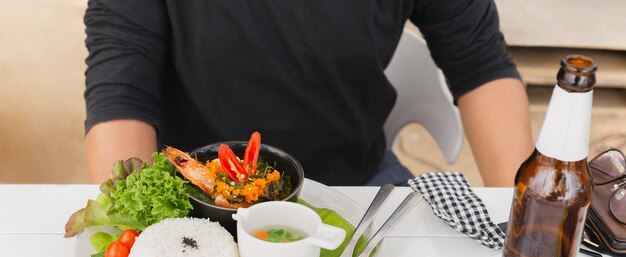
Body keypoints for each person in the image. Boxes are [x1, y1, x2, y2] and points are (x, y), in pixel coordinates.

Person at [84, 0, 533, 186]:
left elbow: (480, 66)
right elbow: (120, 93)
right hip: (196, 190)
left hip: (355, 182)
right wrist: (138, 228)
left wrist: (526, 226)